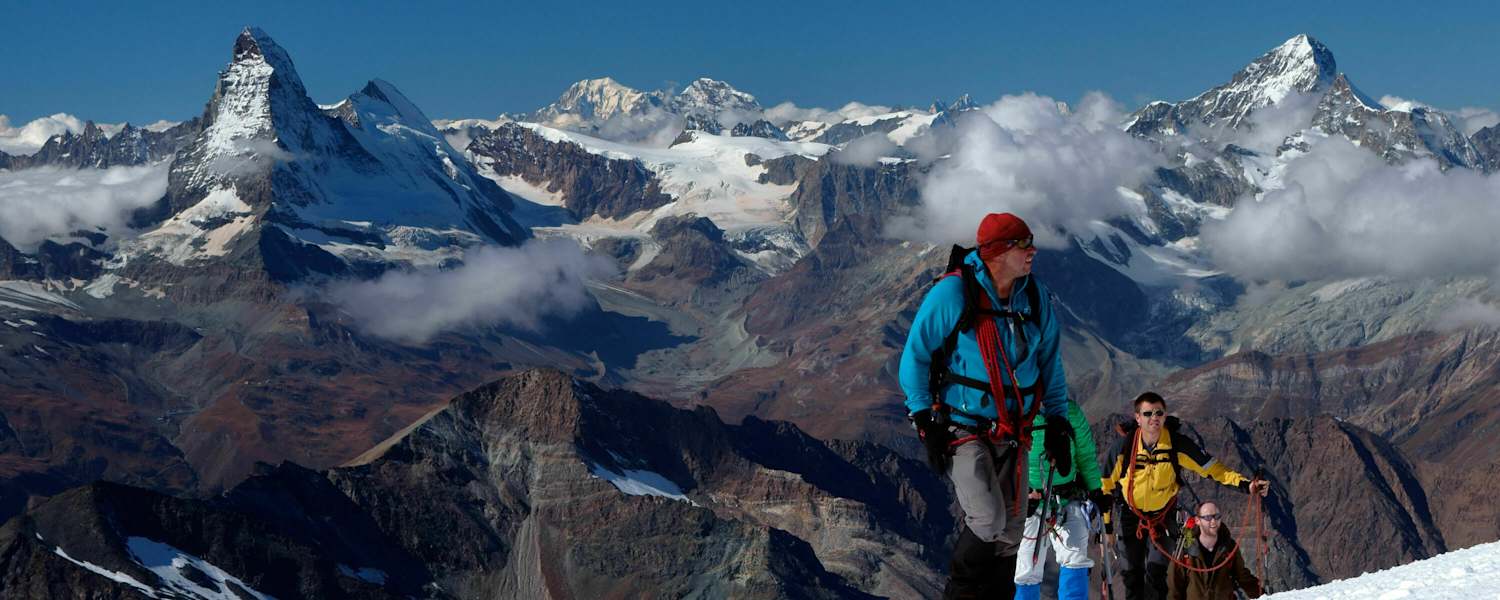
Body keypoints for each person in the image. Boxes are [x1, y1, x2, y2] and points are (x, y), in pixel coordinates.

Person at [899, 212, 1071, 600]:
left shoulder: (1034, 296)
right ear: (998, 252)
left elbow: (1050, 362)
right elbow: (915, 356)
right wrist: (924, 417)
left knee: (1012, 531)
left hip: (1016, 433)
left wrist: (1058, 421)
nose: (1033, 252)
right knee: (987, 519)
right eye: (1024, 245)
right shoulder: (954, 293)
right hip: (963, 426)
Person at [1101, 392, 1270, 600]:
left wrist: (1247, 485)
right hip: (1130, 517)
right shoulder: (1123, 448)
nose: (1154, 417)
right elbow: (1105, 488)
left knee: (1158, 574)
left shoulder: (1177, 445)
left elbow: (1214, 470)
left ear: (1165, 416)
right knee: (1131, 575)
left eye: (1159, 413)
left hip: (1163, 518)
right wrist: (1106, 528)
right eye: (1147, 413)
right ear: (1137, 418)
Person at [1014, 398, 1111, 600]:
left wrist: (1095, 490)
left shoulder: (1069, 412)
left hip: (1064, 498)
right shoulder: (1013, 410)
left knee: (1071, 557)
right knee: (1027, 565)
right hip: (1034, 499)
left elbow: (1085, 454)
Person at [1167, 501, 1263, 600]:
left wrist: (1265, 596)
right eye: (1208, 517)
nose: (1213, 521)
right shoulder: (1185, 548)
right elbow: (1174, 586)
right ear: (1198, 521)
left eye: (1217, 516)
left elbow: (1243, 577)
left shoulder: (1229, 547)